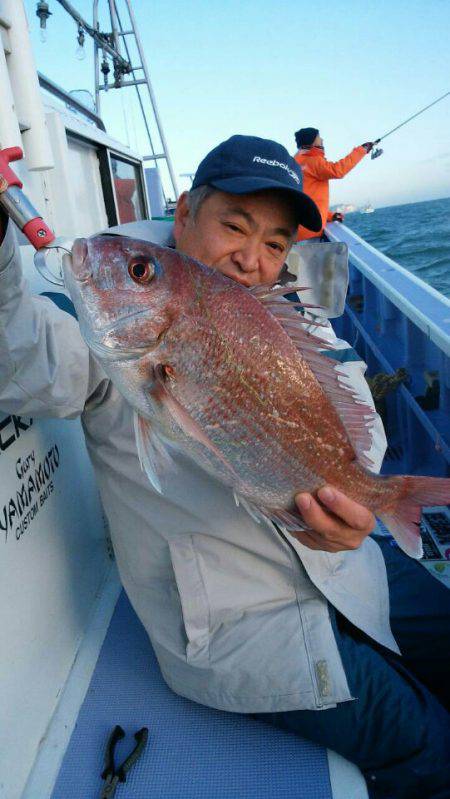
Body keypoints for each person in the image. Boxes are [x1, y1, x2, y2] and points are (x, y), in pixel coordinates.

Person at [0, 135, 449, 799]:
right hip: (243, 627)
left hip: (344, 566)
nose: (252, 258)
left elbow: (351, 404)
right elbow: (22, 354)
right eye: (234, 225)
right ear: (184, 215)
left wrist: (357, 510)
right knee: (428, 740)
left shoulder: (281, 306)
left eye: (274, 242)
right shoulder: (110, 318)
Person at [294, 127, 374, 241]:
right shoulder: (313, 161)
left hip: (297, 228)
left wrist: (329, 216)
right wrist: (362, 150)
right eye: (318, 137)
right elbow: (338, 170)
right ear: (312, 141)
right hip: (308, 233)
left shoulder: (297, 162)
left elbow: (308, 198)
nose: (322, 139)